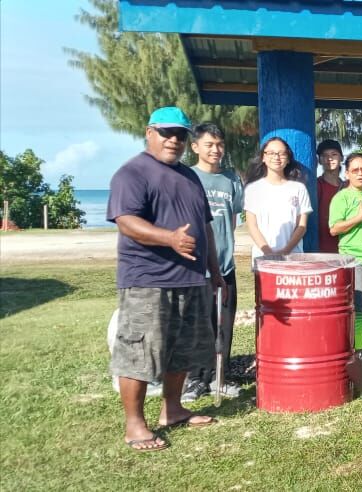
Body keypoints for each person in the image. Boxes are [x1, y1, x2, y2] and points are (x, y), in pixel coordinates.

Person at [107, 106, 223, 452]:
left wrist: (214, 271)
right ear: (149, 132)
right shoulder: (132, 173)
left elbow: (205, 227)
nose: (173, 140)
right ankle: (134, 424)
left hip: (191, 278)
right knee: (140, 351)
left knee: (182, 349)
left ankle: (172, 409)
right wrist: (168, 238)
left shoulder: (189, 177)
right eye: (166, 133)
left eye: (180, 135)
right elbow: (126, 221)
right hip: (147, 279)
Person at [182, 122, 244, 402]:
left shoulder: (231, 179)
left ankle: (221, 376)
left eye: (219, 144)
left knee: (224, 323)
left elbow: (232, 218)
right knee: (198, 324)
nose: (216, 149)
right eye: (209, 144)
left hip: (225, 264)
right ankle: (195, 379)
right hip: (195, 266)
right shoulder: (186, 177)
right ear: (195, 147)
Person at [328, 153, 362, 349]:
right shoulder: (341, 197)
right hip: (354, 260)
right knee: (359, 311)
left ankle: (355, 348)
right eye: (355, 170)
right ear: (347, 174)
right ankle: (358, 355)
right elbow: (334, 229)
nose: (361, 174)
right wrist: (358, 218)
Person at [243, 137, 312, 260]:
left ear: (288, 158)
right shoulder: (252, 189)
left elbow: (301, 226)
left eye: (282, 153)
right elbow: (252, 226)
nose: (276, 157)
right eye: (271, 153)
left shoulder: (299, 188)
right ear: (263, 157)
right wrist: (268, 252)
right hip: (262, 258)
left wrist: (285, 252)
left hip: (293, 258)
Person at [315, 139, 345, 253]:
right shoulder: (316, 186)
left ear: (341, 158)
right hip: (322, 248)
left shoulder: (349, 186)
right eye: (324, 155)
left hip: (346, 247)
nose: (329, 159)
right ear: (319, 160)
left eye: (334, 154)